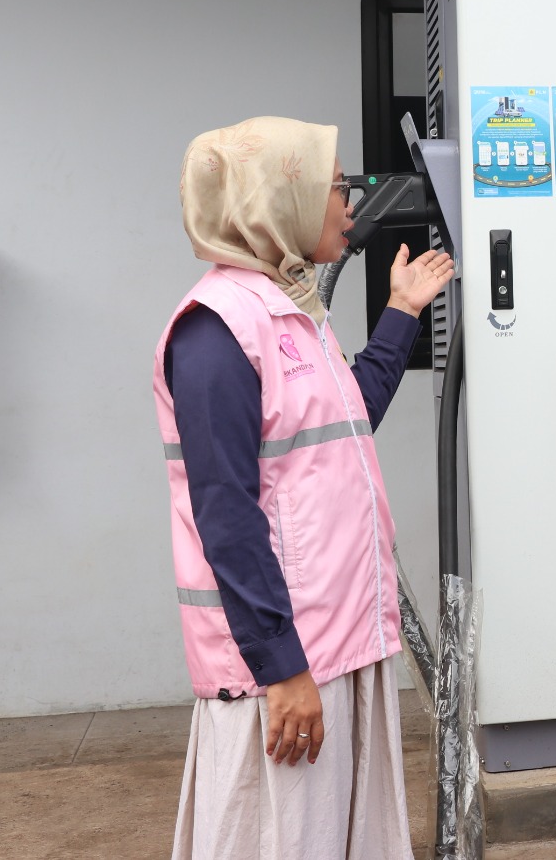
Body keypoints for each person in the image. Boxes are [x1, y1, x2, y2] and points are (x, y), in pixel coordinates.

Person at [151, 116, 453, 860]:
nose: (351, 203)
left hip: (341, 641)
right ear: (275, 202)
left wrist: (402, 313)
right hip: (286, 664)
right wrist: (281, 668)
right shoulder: (216, 330)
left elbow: (350, 417)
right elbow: (224, 511)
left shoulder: (293, 309)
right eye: (335, 186)